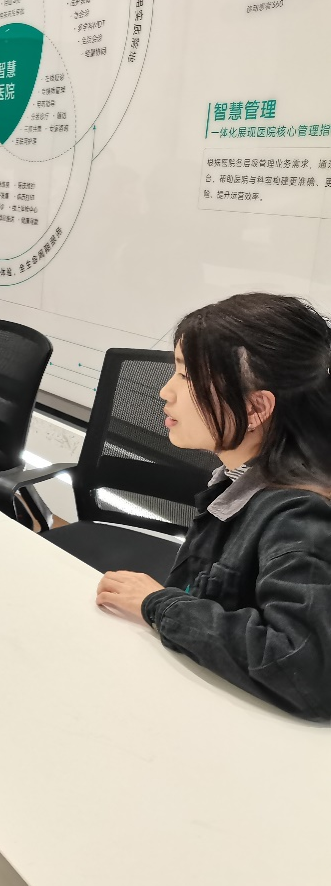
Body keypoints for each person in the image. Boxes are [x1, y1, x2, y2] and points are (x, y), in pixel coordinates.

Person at [96, 293, 331, 720]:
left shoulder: (299, 515)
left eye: (186, 376)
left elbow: (303, 667)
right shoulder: (243, 477)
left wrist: (159, 605)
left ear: (256, 407)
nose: (165, 391)